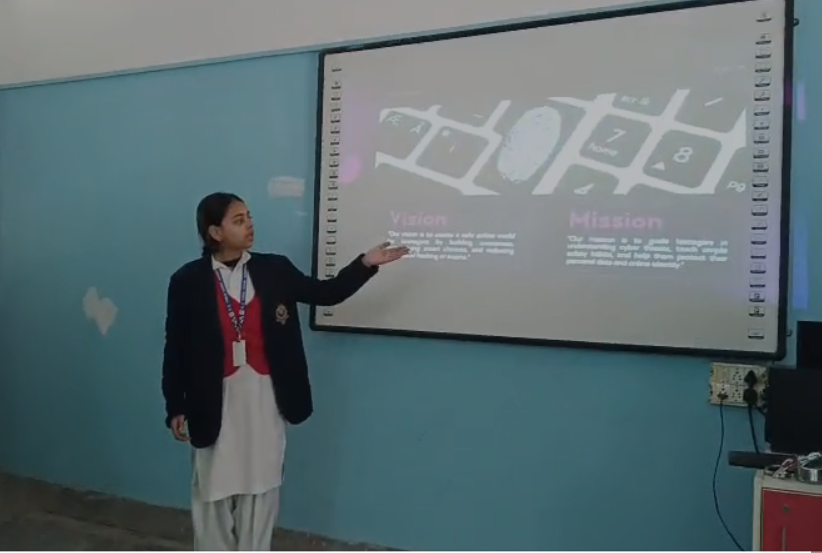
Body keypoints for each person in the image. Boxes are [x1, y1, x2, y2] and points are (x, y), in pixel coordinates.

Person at [161, 192, 407, 551]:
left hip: (265, 399)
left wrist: (366, 263)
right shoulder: (187, 281)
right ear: (215, 232)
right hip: (212, 401)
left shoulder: (274, 270)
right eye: (239, 220)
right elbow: (176, 348)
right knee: (213, 489)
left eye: (249, 217)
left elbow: (326, 293)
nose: (250, 225)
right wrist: (175, 405)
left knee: (261, 487)